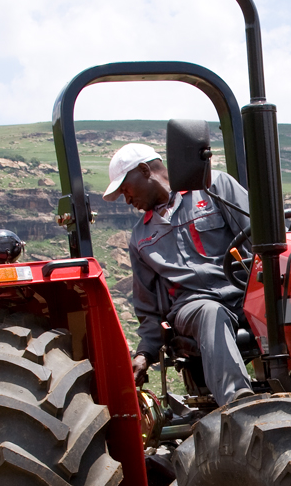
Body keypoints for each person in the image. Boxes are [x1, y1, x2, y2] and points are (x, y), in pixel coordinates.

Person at [103, 141, 254, 406]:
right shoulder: (141, 238)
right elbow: (147, 305)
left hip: (245, 291)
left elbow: (260, 237)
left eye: (125, 189)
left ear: (144, 170)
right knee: (211, 312)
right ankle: (240, 404)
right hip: (193, 306)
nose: (127, 200)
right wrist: (145, 353)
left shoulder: (215, 188)